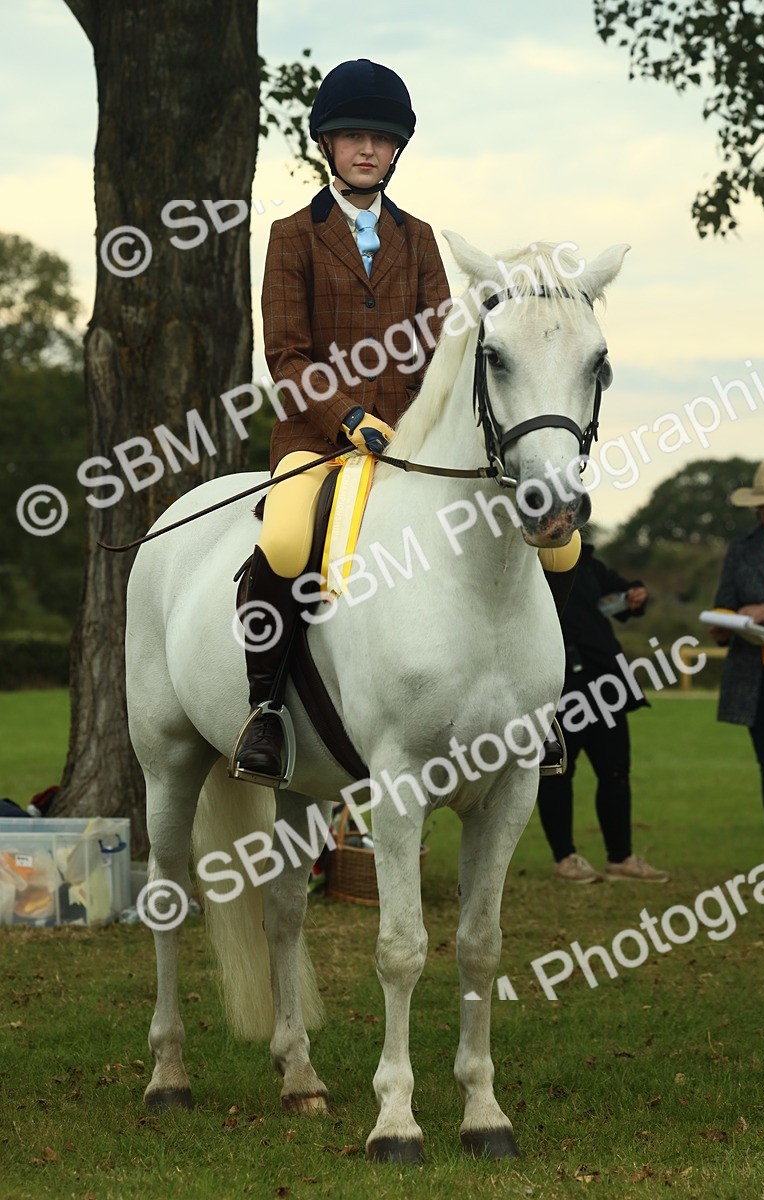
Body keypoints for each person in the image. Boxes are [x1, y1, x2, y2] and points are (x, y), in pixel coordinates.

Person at [234, 58, 452, 781]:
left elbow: (443, 349)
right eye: (353, 136)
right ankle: (264, 710)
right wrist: (348, 415)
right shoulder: (292, 235)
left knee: (553, 545)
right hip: (316, 439)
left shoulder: (421, 239)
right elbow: (287, 356)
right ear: (326, 144)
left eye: (381, 139)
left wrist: (421, 422)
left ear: (397, 150)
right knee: (289, 536)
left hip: (410, 444)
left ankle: (537, 708)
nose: (367, 149)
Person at [536, 542, 670, 883]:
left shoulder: (588, 561)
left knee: (615, 772)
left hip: (606, 682)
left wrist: (634, 594)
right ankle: (565, 858)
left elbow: (620, 590)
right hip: (559, 681)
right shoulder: (531, 561)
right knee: (557, 772)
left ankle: (621, 857)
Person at [708, 460, 764, 876]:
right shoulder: (741, 548)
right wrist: (723, 624)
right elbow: (725, 598)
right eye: (760, 503)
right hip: (755, 676)